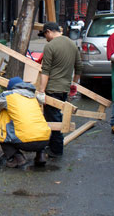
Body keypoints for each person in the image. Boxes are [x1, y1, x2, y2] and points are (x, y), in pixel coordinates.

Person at [35, 22, 83, 157]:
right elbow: (79, 67)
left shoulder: (50, 46)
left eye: (45, 35)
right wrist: (74, 84)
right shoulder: (72, 44)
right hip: (64, 89)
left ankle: (56, 150)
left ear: (49, 31)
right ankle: (52, 145)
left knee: (54, 120)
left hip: (52, 89)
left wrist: (41, 91)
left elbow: (46, 71)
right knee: (55, 116)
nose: (46, 38)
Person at [0, 77, 51, 168]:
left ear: (11, 88)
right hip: (45, 140)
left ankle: (17, 157)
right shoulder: (33, 97)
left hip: (26, 142)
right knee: (35, 128)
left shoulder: (10, 95)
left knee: (0, 132)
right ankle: (41, 155)